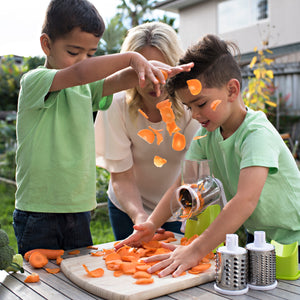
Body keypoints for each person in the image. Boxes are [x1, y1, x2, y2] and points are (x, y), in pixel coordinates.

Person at [13, 0, 193, 255]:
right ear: (46, 44)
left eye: (90, 53)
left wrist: (153, 71)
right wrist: (131, 58)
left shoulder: (86, 89)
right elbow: (80, 73)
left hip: (79, 211)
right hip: (39, 211)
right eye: (74, 52)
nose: (82, 61)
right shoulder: (35, 82)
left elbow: (121, 79)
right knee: (41, 285)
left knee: (78, 279)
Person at [116, 34, 300, 277]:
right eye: (189, 107)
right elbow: (183, 183)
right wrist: (152, 224)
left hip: (295, 235)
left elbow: (245, 201)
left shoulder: (257, 134)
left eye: (200, 104)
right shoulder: (207, 134)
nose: (194, 115)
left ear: (232, 90)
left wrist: (196, 250)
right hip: (263, 238)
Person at [94, 22, 200, 240]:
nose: (155, 81)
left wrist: (158, 219)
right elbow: (121, 176)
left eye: (162, 70)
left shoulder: (194, 106)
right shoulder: (116, 104)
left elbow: (193, 174)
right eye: (145, 72)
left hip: (182, 205)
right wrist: (140, 217)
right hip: (128, 208)